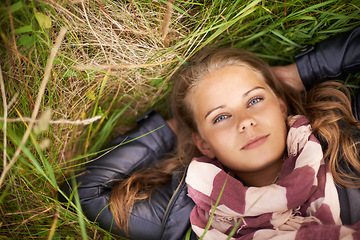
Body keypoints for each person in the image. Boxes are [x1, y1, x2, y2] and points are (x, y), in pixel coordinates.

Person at [59, 26, 360, 240]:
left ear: (281, 108)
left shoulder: (345, 144)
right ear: (203, 143)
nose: (245, 121)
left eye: (254, 100)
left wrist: (297, 72)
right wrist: (179, 124)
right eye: (221, 117)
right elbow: (85, 192)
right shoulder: (185, 214)